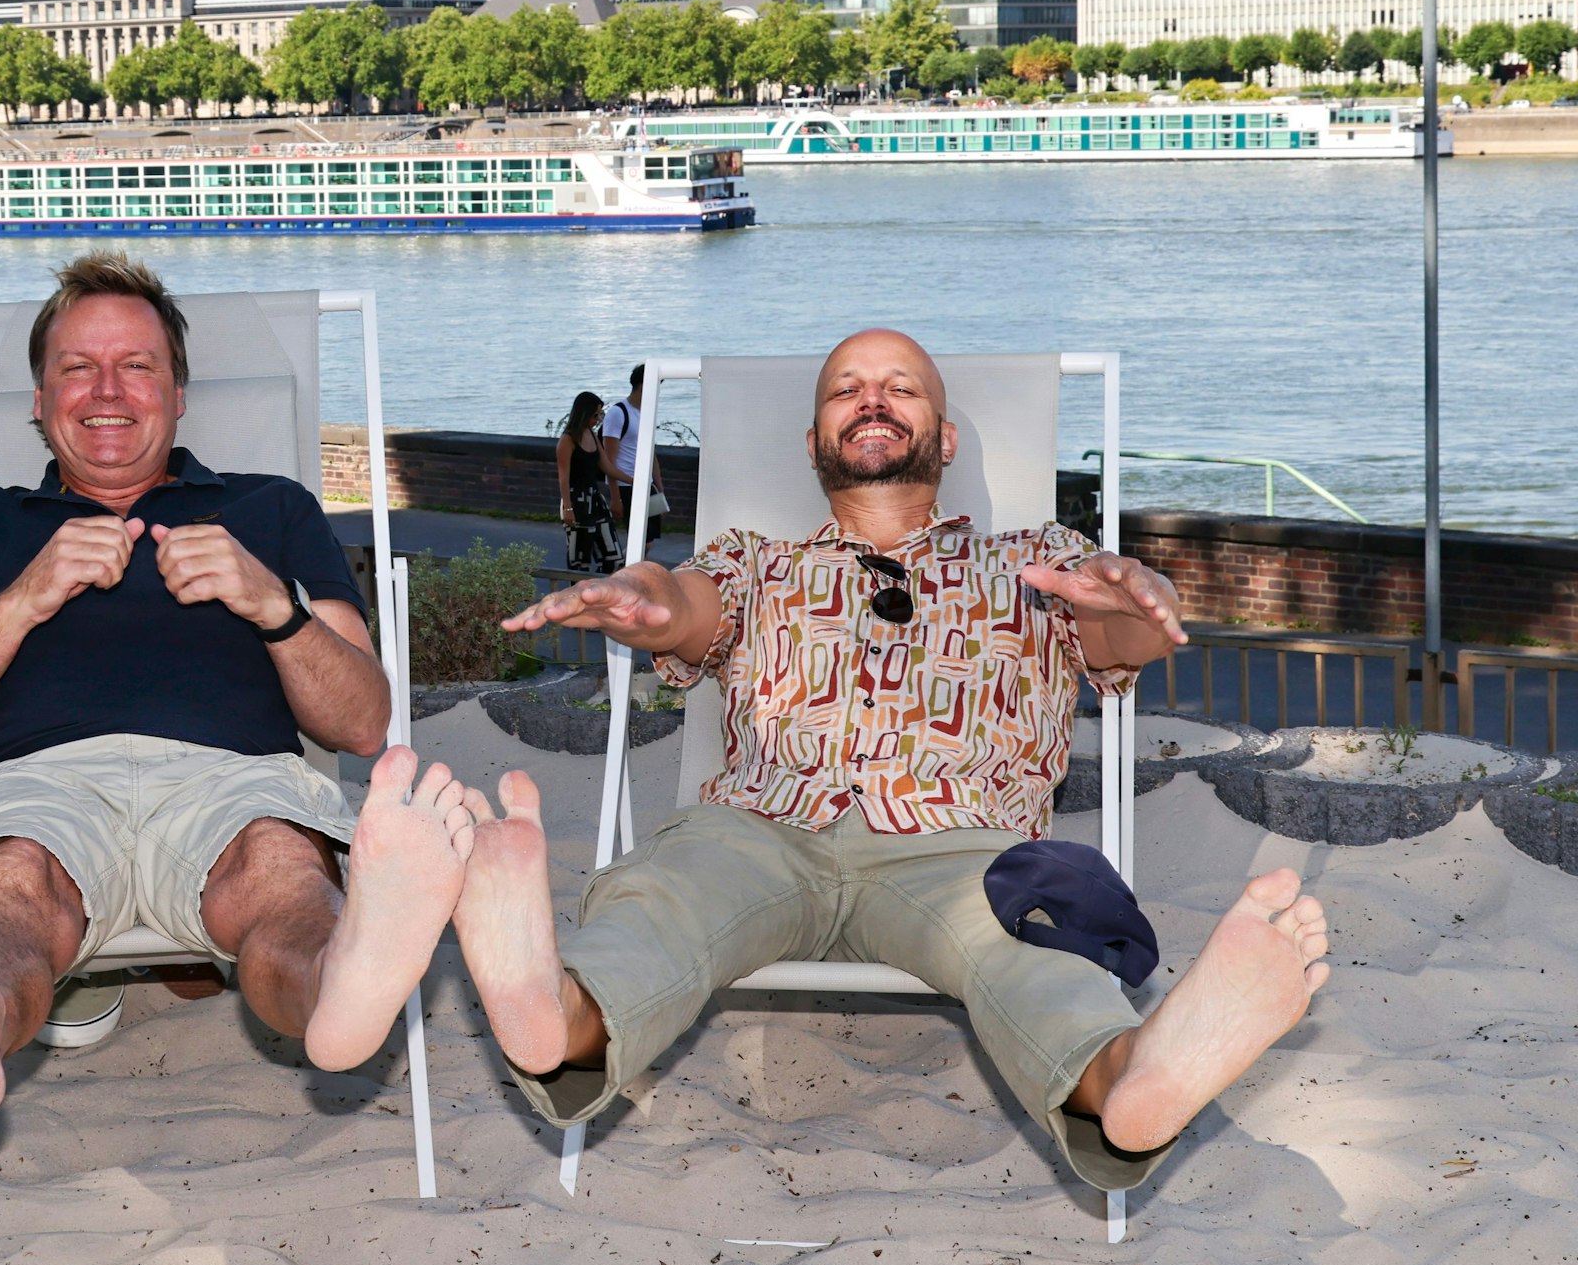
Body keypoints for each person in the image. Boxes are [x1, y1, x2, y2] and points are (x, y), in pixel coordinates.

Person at [451, 328, 1331, 1194]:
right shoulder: (759, 562)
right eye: (847, 389)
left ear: (945, 438)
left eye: (901, 387)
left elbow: (1121, 624)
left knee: (1037, 952)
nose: (872, 398)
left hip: (964, 848)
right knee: (663, 897)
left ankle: (1135, 1079)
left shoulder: (1034, 563)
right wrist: (635, 596)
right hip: (762, 827)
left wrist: (1145, 591)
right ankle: (555, 1018)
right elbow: (679, 605)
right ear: (813, 444)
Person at [0, 253, 473, 1116]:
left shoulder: (270, 509)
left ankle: (342, 990)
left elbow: (364, 725)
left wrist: (272, 607)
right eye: (77, 367)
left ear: (178, 396)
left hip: (234, 780)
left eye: (137, 366)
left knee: (280, 867)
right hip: (32, 785)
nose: (108, 389)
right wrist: (21, 599)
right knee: (12, 888)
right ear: (38, 400)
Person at [556, 390, 623, 574]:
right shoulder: (567, 440)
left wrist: (634, 480)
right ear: (584, 413)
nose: (598, 419)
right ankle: (579, 598)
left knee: (614, 558)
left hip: (595, 501)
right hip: (577, 503)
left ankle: (605, 595)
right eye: (595, 415)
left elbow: (607, 467)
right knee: (580, 561)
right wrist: (568, 508)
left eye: (600, 414)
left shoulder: (592, 435)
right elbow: (563, 477)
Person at [599, 363, 665, 527]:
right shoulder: (618, 413)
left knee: (649, 541)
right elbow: (609, 460)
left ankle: (627, 554)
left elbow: (652, 454)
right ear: (643, 387)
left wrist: (660, 490)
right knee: (639, 539)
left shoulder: (646, 413)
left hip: (646, 485)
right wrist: (616, 498)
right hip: (626, 486)